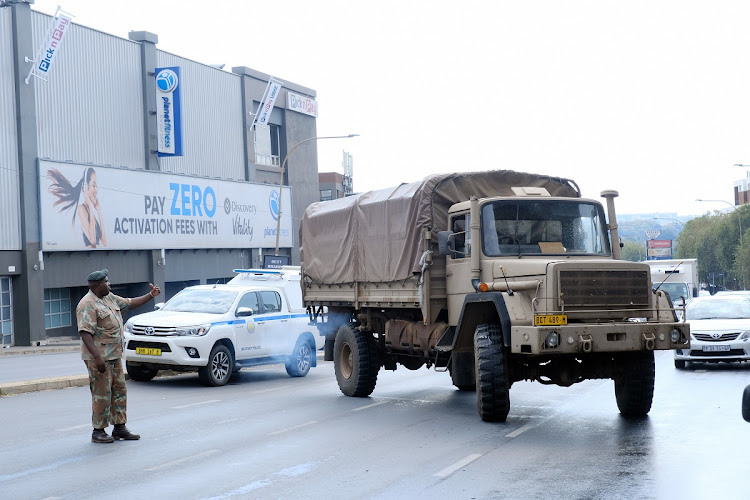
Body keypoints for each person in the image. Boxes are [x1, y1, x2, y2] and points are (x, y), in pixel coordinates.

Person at [76, 269, 160, 443]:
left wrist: (150, 295)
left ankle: (119, 427)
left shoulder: (109, 298)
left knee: (119, 391)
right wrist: (98, 358)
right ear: (97, 285)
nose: (109, 284)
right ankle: (98, 431)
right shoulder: (87, 304)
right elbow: (85, 333)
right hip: (99, 358)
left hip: (114, 356)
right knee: (102, 393)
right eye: (106, 282)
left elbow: (130, 303)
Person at [47, 167, 107, 248]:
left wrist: (99, 211)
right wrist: (90, 206)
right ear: (85, 187)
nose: (96, 190)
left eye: (96, 186)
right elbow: (92, 240)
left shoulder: (92, 214)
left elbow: (104, 242)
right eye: (93, 185)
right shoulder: (81, 209)